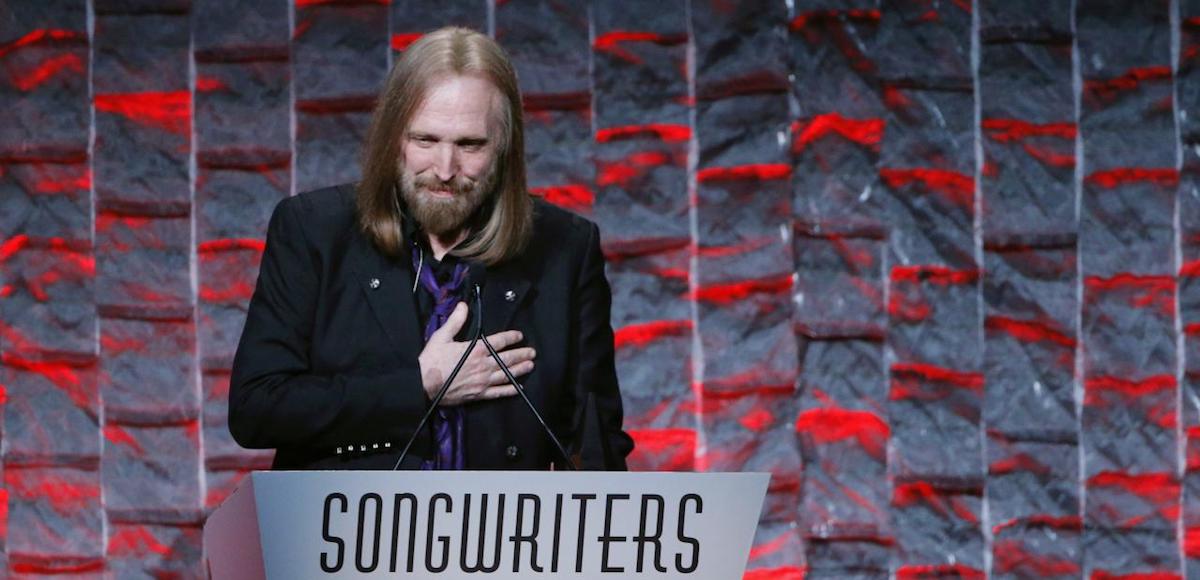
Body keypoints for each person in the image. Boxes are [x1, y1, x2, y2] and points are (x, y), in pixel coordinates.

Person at [228, 27, 633, 470]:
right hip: (349, 532)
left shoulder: (566, 247)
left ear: (504, 148)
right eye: (425, 140)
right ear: (393, 138)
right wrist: (420, 383)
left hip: (502, 535)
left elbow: (596, 441)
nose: (444, 168)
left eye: (470, 145)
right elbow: (256, 410)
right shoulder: (313, 230)